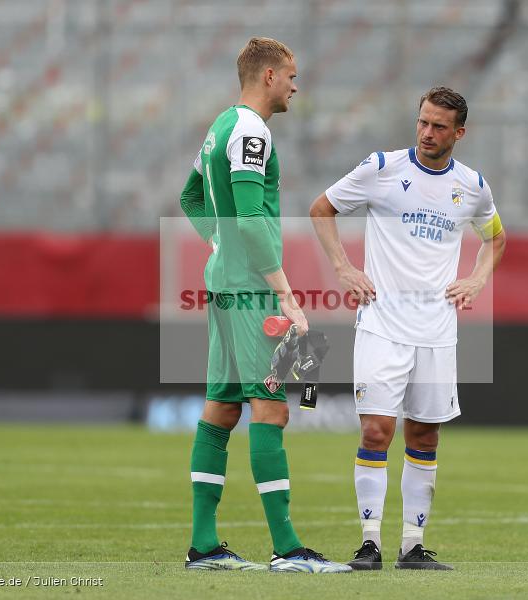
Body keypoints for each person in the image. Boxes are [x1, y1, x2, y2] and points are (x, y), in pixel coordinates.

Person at [309, 87, 506, 570]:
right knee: (377, 430)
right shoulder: (382, 168)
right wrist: (344, 268)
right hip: (382, 324)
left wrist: (477, 278)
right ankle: (370, 543)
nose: (426, 133)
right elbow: (321, 209)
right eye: (422, 122)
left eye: (439, 126)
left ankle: (413, 546)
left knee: (424, 435)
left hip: (437, 332)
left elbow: (496, 238)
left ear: (459, 132)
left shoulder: (472, 186)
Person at [179, 37, 350, 573]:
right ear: (269, 75)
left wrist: (218, 244)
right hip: (252, 292)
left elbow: (190, 196)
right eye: (292, 75)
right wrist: (285, 293)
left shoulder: (219, 128)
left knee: (222, 408)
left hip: (223, 285)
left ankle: (204, 546)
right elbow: (251, 219)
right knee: (271, 408)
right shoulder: (252, 131)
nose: (296, 86)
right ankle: (287, 549)